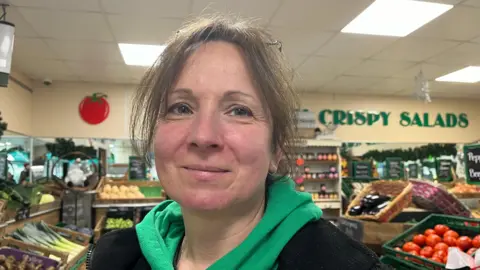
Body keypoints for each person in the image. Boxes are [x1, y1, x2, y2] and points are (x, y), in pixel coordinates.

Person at [88, 15, 390, 270]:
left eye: (239, 110)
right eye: (181, 108)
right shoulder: (112, 258)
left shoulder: (338, 263)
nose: (203, 136)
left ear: (276, 149)